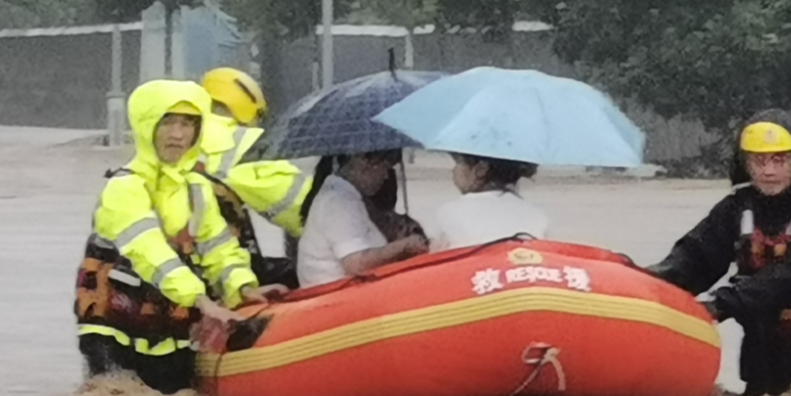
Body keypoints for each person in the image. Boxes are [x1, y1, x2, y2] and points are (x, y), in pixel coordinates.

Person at [74, 80, 274, 393]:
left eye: (187, 124)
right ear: (146, 126)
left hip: (169, 324)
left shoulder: (197, 188)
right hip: (113, 326)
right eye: (167, 122)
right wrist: (202, 301)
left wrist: (242, 287)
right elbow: (150, 252)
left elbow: (218, 246)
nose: (178, 134)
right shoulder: (125, 187)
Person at [647, 111, 791, 396]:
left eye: (779, 160)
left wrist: (721, 304)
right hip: (762, 351)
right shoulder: (734, 209)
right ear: (745, 164)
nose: (768, 171)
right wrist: (646, 285)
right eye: (759, 161)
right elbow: (694, 261)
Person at [196, 67, 309, 289]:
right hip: (224, 271)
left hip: (192, 263)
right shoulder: (243, 143)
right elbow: (300, 207)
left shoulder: (183, 133)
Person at [297, 149, 430, 287]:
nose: (385, 177)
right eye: (384, 168)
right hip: (336, 294)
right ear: (363, 162)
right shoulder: (339, 202)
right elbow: (356, 265)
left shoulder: (347, 195)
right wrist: (403, 246)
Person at [427, 153, 549, 249]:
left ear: (480, 170)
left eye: (459, 164)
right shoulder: (535, 214)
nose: (453, 171)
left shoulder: (448, 212)